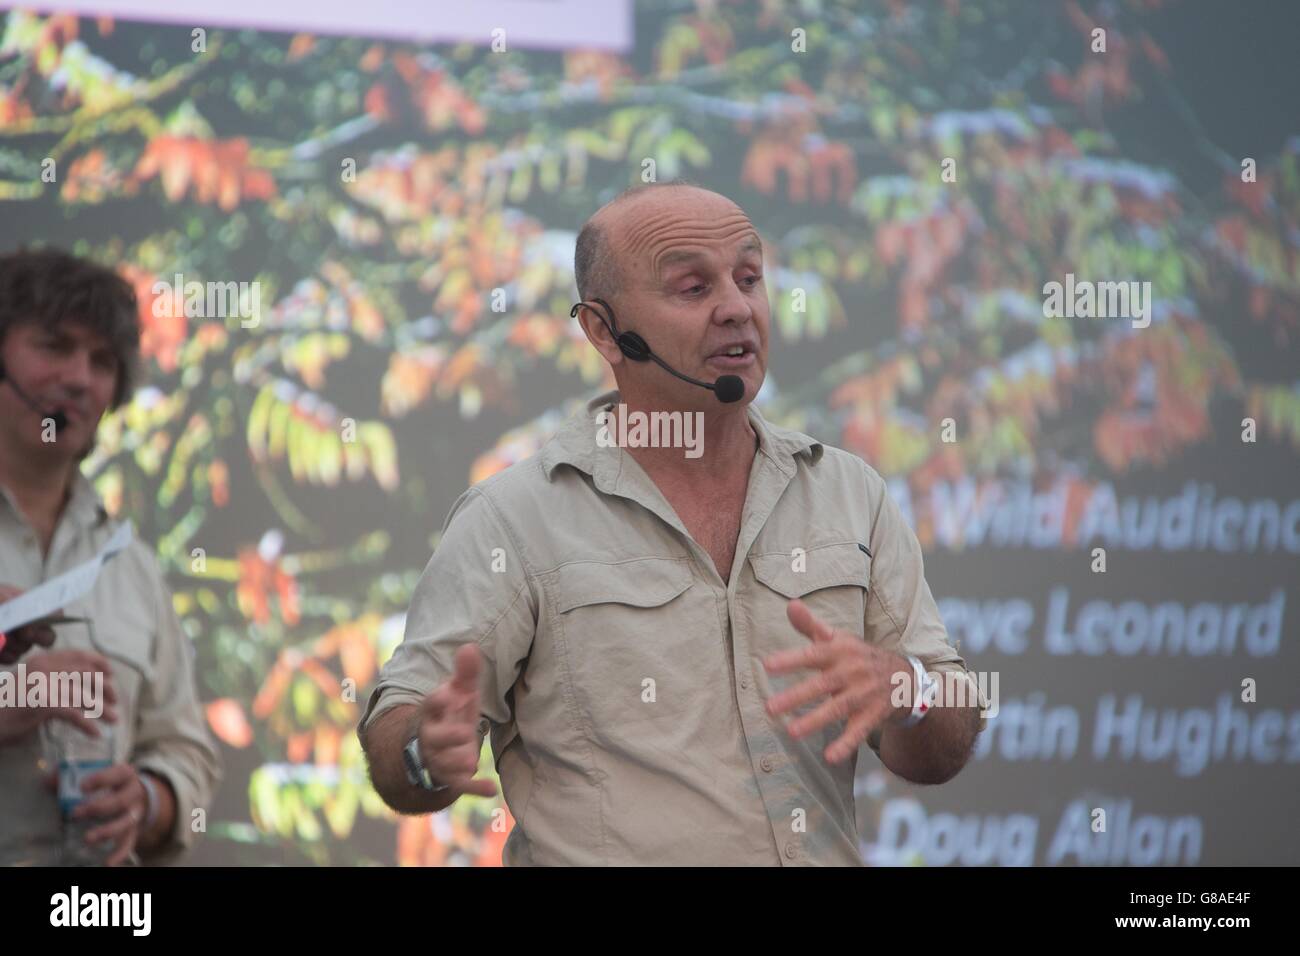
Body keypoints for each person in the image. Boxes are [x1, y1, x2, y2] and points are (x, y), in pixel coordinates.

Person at [359, 183, 987, 865]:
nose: (737, 309)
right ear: (604, 330)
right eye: (693, 288)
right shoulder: (514, 520)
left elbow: (944, 741)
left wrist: (908, 690)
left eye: (750, 279)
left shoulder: (847, 492)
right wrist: (426, 752)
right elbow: (400, 731)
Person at [0, 248, 221, 865]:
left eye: (101, 361)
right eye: (54, 345)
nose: (79, 376)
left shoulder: (134, 566)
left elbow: (187, 750)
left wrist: (149, 800)